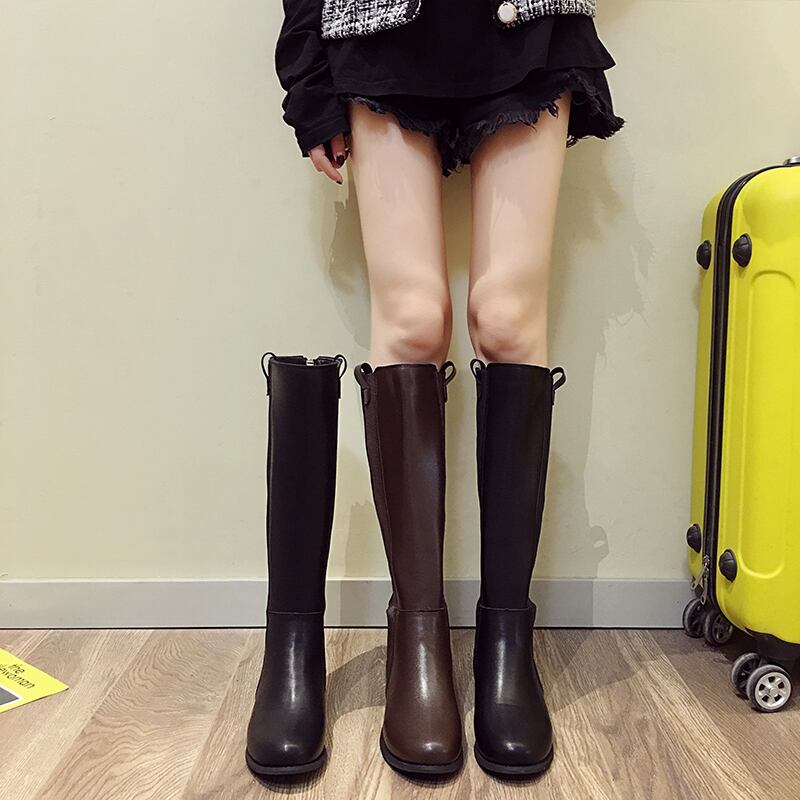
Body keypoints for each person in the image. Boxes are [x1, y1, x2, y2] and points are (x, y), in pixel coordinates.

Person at [246, 0, 625, 781]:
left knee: (508, 319)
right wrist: (308, 77)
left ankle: (505, 643)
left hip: (524, 28)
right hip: (383, 27)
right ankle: (417, 636)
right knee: (414, 320)